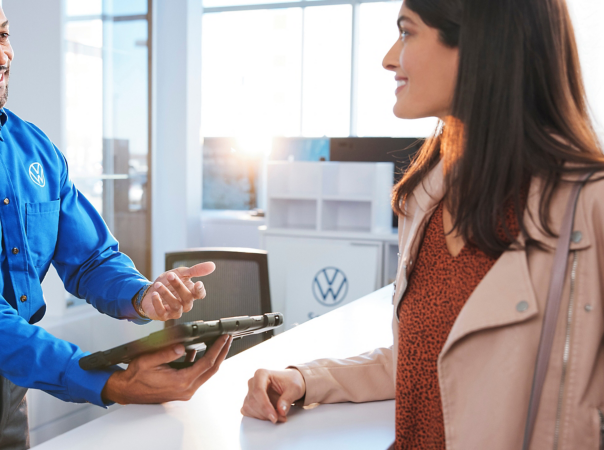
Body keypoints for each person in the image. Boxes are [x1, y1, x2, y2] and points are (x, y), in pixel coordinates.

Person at [0, 0, 232, 448]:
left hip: (12, 379)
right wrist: (106, 380)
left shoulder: (33, 147)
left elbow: (90, 258)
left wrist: (144, 294)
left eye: (3, 34)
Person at [240, 0, 604, 448]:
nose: (389, 57)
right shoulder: (427, 199)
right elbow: (418, 363)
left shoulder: (589, 208)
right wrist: (305, 379)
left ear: (478, 44)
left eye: (407, 32)